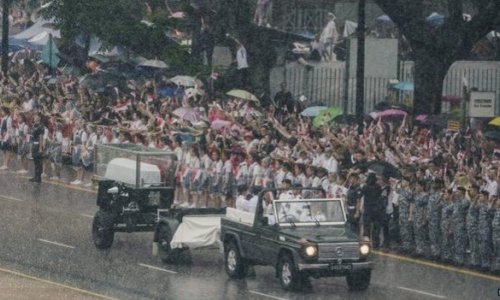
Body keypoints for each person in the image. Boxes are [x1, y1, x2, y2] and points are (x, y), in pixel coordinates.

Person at [362, 172, 384, 249]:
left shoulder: (365, 187)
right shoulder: (378, 187)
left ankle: (366, 243)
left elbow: (362, 194)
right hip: (376, 209)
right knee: (376, 228)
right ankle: (375, 244)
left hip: (368, 209)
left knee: (367, 227)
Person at [452, 186, 470, 266]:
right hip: (455, 223)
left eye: (457, 191)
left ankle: (461, 260)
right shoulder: (457, 200)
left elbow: (462, 209)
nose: (456, 193)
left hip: (461, 223)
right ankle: (457, 258)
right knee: (456, 241)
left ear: (462, 192)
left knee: (461, 241)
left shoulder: (465, 201)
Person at [30, 113, 44, 183]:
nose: (35, 117)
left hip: (37, 145)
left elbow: (41, 137)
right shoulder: (34, 125)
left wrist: (40, 148)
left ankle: (38, 178)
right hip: (33, 144)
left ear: (39, 118)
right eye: (34, 116)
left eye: (36, 116)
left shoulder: (40, 126)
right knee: (35, 162)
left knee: (38, 162)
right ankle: (36, 176)